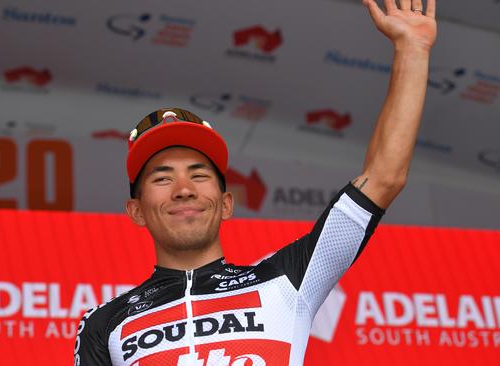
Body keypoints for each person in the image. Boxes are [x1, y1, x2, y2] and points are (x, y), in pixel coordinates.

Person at [74, 0, 437, 364]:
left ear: (227, 202)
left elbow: (383, 179)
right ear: (136, 210)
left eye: (199, 174)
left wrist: (413, 50)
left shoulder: (288, 281)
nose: (183, 188)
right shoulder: (105, 324)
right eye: (162, 177)